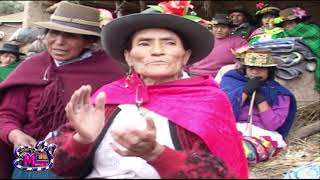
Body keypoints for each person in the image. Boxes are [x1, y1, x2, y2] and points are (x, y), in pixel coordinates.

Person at [46, 8, 249, 179]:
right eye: (144, 43)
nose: (157, 51)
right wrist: (81, 140)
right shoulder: (106, 98)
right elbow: (49, 162)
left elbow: (225, 173)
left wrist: (157, 154)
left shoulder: (208, 101)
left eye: (169, 43)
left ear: (185, 55)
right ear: (129, 57)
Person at [0, 2, 125, 178]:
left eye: (71, 36)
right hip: (33, 154)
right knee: (33, 172)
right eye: (54, 33)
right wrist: (15, 135)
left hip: (84, 160)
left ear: (89, 42)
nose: (59, 42)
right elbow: (6, 115)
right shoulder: (32, 67)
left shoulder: (110, 73)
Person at [220, 48, 297, 163]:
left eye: (260, 69)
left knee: (248, 150)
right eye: (251, 68)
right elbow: (223, 112)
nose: (255, 72)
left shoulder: (280, 93)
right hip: (233, 128)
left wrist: (259, 98)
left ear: (269, 71)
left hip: (263, 135)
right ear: (245, 68)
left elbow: (272, 124)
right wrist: (245, 91)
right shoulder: (232, 81)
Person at [273, 7, 320, 92]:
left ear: (298, 22)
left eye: (290, 23)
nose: (287, 27)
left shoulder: (310, 29)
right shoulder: (282, 34)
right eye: (284, 25)